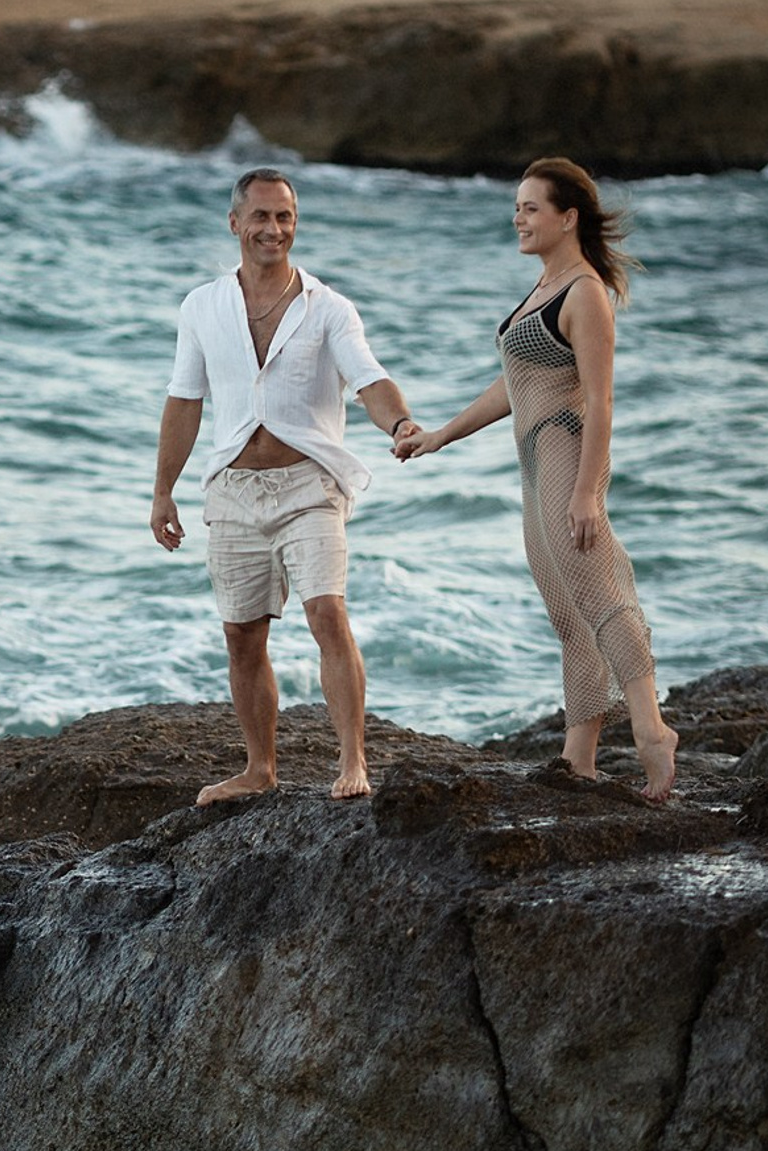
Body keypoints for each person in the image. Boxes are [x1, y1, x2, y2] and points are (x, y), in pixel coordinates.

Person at [393, 158, 677, 802]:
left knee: (601, 600)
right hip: (533, 464)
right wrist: (440, 434)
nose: (517, 218)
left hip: (564, 453)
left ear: (567, 217)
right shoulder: (544, 287)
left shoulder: (584, 294)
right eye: (516, 207)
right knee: (569, 618)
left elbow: (601, 403)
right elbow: (513, 386)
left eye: (530, 208)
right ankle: (579, 758)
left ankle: (652, 732)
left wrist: (586, 492)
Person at [150, 167, 417, 803]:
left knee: (327, 611)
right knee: (242, 633)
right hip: (234, 487)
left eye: (286, 217)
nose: (275, 229)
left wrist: (402, 421)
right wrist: (163, 491)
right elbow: (184, 400)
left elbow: (368, 379)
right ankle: (260, 769)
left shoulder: (329, 309)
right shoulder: (202, 306)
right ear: (235, 223)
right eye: (263, 217)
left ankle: (353, 762)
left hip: (309, 485)